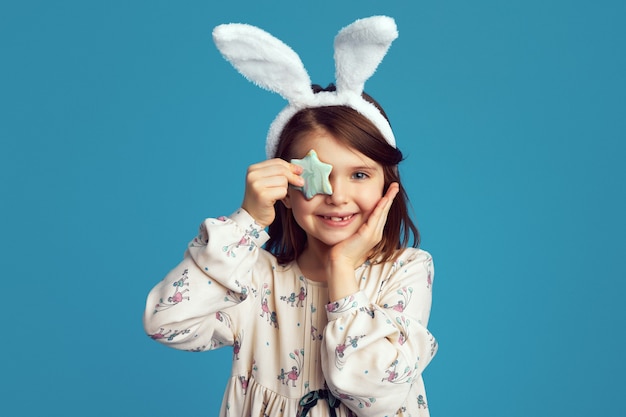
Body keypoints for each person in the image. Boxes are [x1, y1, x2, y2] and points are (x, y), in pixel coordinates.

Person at [143, 16, 437, 417]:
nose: (337, 196)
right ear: (284, 187)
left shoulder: (405, 271)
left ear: (389, 183)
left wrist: (342, 268)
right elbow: (167, 323)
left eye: (360, 174)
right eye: (319, 177)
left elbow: (375, 393)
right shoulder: (252, 278)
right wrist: (248, 220)